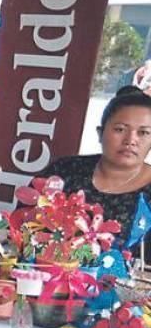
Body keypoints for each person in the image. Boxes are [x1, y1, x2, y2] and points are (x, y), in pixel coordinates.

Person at [42, 88, 151, 250]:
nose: (131, 140)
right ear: (100, 133)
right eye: (120, 129)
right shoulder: (65, 170)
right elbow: (22, 224)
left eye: (143, 132)